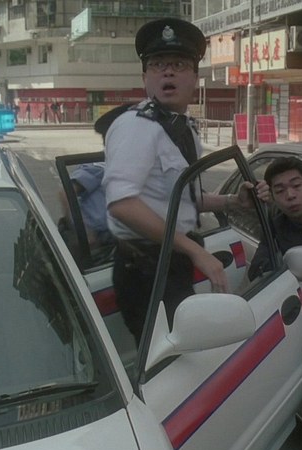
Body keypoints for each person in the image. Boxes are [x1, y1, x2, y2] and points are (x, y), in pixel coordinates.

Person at [100, 18, 267, 344]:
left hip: (170, 263)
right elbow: (122, 204)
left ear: (194, 77)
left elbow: (181, 197)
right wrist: (195, 251)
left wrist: (232, 201)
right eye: (157, 65)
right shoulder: (136, 126)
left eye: (178, 65)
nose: (168, 73)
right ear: (145, 78)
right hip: (146, 271)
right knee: (171, 360)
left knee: (184, 352)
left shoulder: (181, 127)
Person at [58, 163, 113, 250]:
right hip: (88, 236)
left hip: (111, 237)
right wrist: (84, 232)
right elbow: (66, 193)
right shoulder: (100, 168)